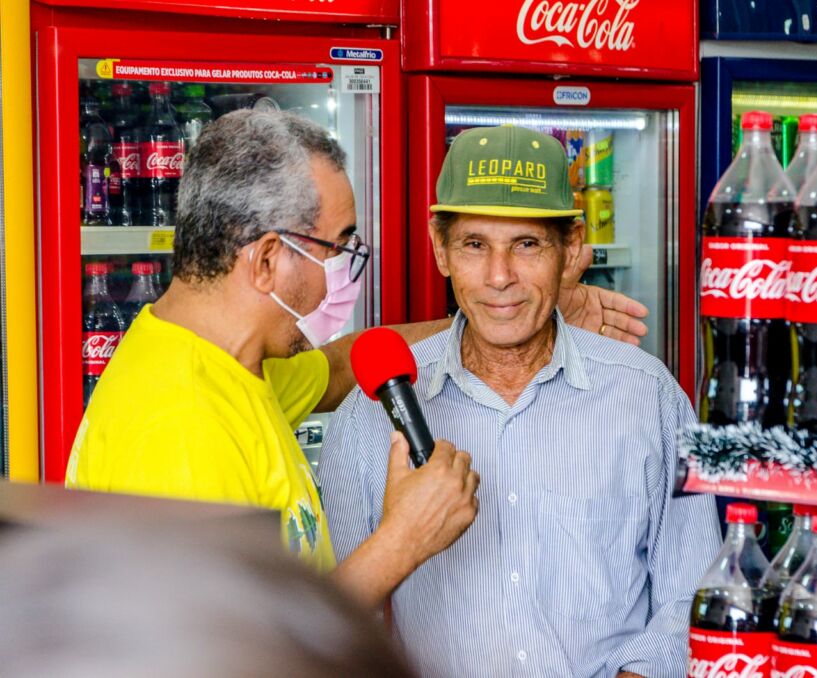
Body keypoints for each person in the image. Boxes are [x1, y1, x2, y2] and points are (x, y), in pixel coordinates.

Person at [65, 111, 648, 608]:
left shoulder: (230, 364)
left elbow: (343, 364)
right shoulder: (181, 433)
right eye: (337, 248)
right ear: (268, 259)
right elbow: (240, 663)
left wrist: (503, 312)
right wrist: (404, 540)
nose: (342, 274)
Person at [320, 125, 722, 677]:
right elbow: (336, 625)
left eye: (527, 245)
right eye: (474, 245)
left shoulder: (649, 398)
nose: (500, 277)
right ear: (441, 249)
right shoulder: (369, 416)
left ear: (572, 247)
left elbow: (692, 595)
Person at [0, 522, 415, 677]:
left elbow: (330, 370)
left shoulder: (254, 380)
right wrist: (401, 541)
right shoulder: (184, 427)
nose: (317, 322)